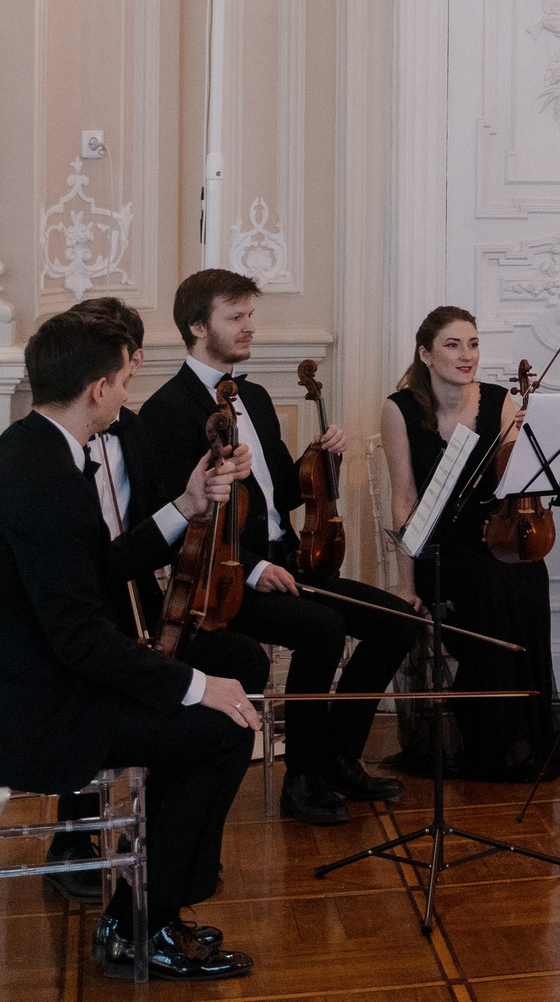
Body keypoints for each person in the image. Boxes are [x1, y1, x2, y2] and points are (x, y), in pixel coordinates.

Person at [0, 307, 257, 981]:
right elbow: (82, 638)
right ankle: (142, 926)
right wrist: (202, 685)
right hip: (31, 713)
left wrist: (183, 505)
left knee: (208, 721)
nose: (125, 394)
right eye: (121, 381)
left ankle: (147, 912)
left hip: (30, 686)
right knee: (223, 728)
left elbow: (99, 568)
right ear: (96, 388)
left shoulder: (34, 451)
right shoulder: (45, 478)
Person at [128, 268, 418, 825]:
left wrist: (321, 458)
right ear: (196, 326)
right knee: (323, 629)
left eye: (250, 316)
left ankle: (338, 757)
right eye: (235, 317)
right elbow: (176, 522)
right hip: (226, 581)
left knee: (398, 620)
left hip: (289, 563)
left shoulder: (255, 397)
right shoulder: (166, 411)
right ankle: (302, 777)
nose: (249, 328)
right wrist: (255, 565)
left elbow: (282, 492)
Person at [41, 297, 268, 907]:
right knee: (184, 702)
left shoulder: (131, 429)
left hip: (136, 593)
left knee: (244, 662)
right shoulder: (50, 462)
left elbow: (160, 515)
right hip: (94, 617)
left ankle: (177, 833)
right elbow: (81, 592)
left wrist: (216, 478)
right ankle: (76, 840)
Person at [378, 304, 560, 779]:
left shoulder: (497, 399)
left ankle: (527, 733)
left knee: (529, 572)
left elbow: (515, 482)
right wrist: (406, 584)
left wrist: (527, 442)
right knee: (490, 585)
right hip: (437, 547)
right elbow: (403, 497)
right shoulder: (399, 408)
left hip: (493, 533)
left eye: (473, 343)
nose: (466, 355)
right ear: (425, 354)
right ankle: (493, 741)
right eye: (452, 344)